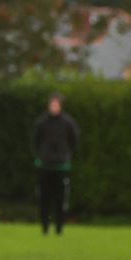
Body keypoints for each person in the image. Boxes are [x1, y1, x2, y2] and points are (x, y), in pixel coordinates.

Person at [32, 91, 80, 235]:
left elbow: (74, 141)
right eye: (52, 104)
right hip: (45, 165)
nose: (54, 107)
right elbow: (35, 141)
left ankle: (59, 228)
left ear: (60, 105)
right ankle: (45, 227)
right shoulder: (41, 122)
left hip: (61, 166)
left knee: (60, 199)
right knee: (44, 199)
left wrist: (66, 156)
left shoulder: (68, 123)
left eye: (56, 104)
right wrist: (41, 155)